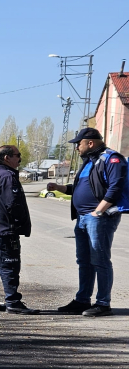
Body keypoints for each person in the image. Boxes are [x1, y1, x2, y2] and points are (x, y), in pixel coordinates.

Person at [47, 127, 129, 317]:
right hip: (83, 218)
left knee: (100, 260)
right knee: (84, 261)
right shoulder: (88, 162)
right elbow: (80, 188)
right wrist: (58, 187)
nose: (76, 147)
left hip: (100, 218)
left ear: (90, 143)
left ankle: (103, 303)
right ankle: (82, 300)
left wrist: (98, 211)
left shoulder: (111, 159)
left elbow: (115, 187)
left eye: (79, 143)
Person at [0, 144, 38, 313]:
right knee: (9, 266)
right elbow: (13, 203)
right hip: (4, 231)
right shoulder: (7, 176)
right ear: (7, 158)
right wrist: (19, 223)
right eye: (17, 155)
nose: (20, 159)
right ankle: (13, 302)